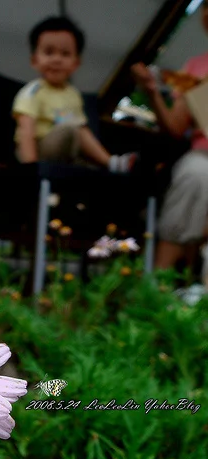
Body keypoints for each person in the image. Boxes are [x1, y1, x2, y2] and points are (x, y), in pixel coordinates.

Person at [131, 0, 208, 271]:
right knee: (195, 175)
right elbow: (175, 128)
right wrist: (152, 93)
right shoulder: (196, 68)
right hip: (203, 155)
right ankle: (156, 291)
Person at [12, 16, 137, 173]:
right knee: (74, 128)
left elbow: (80, 132)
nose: (57, 59)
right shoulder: (34, 91)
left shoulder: (73, 94)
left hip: (66, 153)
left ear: (76, 63)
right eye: (49, 52)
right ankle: (111, 163)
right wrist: (30, 169)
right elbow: (26, 130)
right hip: (36, 151)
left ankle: (110, 164)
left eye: (65, 54)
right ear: (34, 60)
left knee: (81, 136)